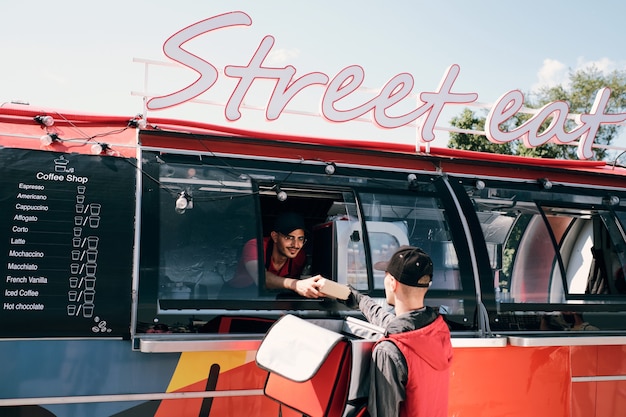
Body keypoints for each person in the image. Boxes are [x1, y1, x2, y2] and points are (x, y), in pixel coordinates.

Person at [343, 246, 452, 417]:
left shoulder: (388, 351)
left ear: (393, 283)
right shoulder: (437, 331)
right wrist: (360, 300)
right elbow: (396, 325)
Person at [230, 212, 323, 298]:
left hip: (274, 301)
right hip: (236, 298)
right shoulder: (255, 246)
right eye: (289, 238)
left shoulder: (299, 257)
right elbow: (261, 278)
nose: (296, 245)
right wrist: (295, 284)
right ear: (275, 237)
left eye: (300, 239)